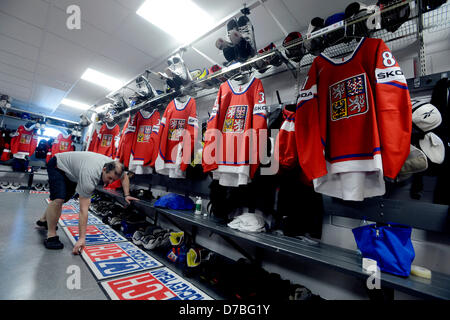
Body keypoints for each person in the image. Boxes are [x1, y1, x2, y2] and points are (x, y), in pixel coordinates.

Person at [36, 151, 139, 254]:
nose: (110, 182)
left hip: (72, 173)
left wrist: (127, 195)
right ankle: (51, 235)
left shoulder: (114, 166)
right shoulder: (90, 175)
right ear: (104, 169)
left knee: (63, 199)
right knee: (58, 199)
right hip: (58, 166)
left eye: (114, 180)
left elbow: (124, 176)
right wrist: (81, 238)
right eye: (109, 178)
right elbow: (83, 210)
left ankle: (44, 220)